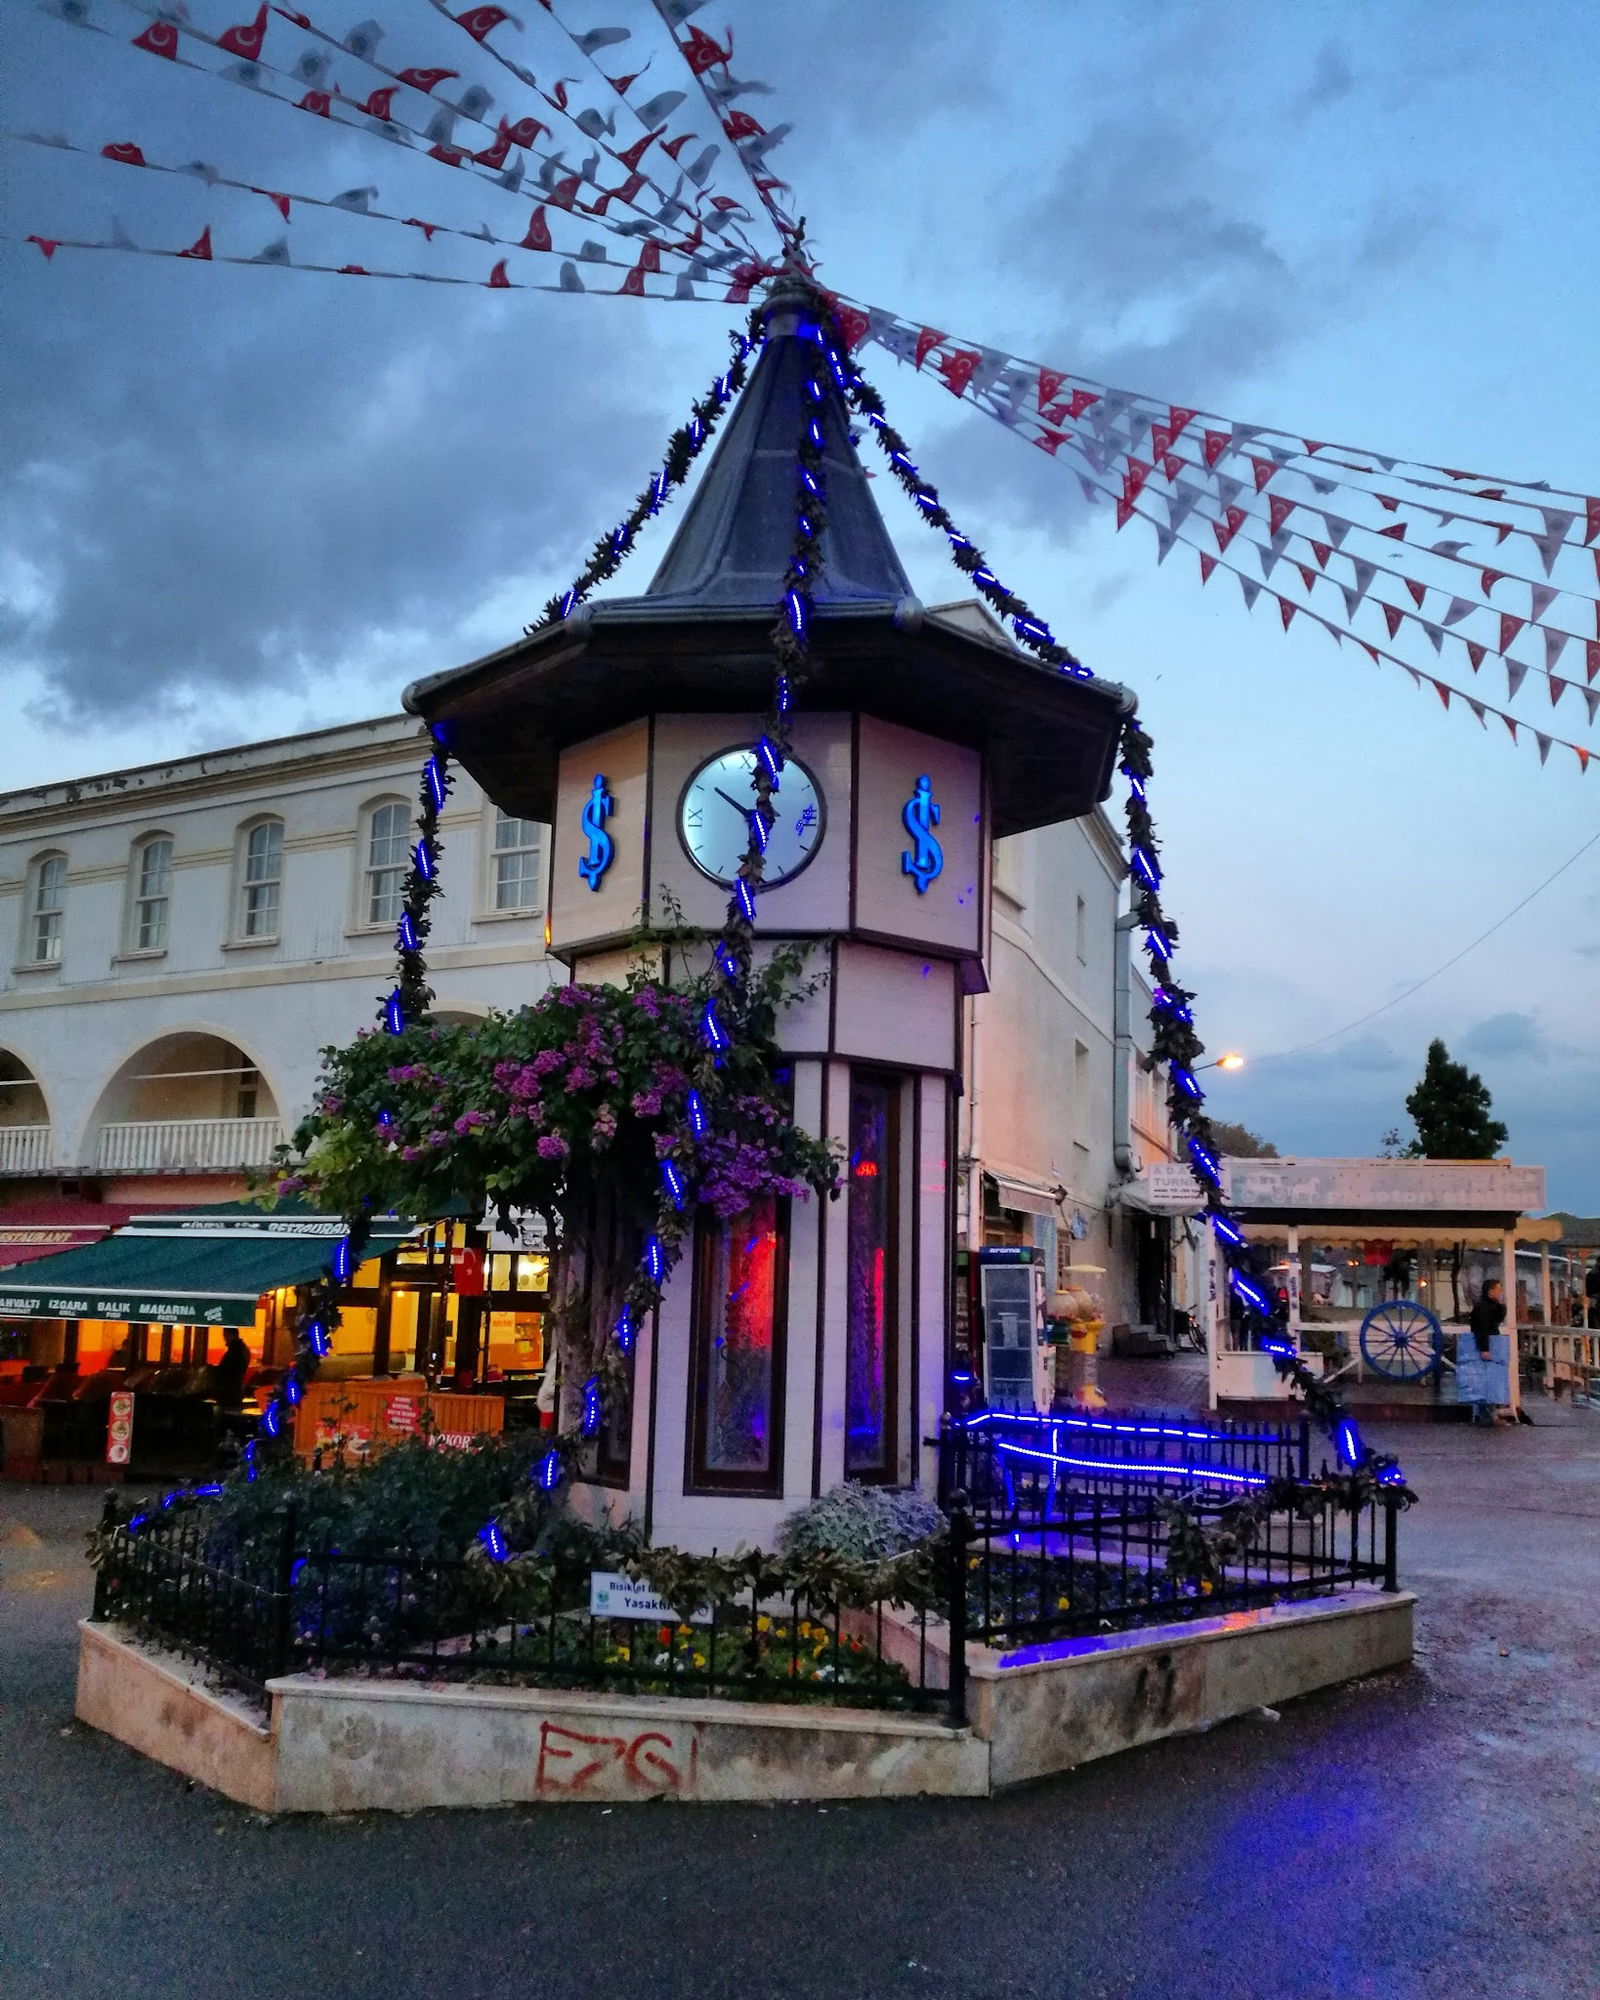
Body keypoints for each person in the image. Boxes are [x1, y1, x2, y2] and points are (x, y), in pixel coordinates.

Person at [1466, 1279, 1505, 1425]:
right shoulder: (1482, 1307)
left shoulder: (1491, 1306)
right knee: (1486, 1381)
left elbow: (1499, 1319)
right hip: (1487, 1345)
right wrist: (1484, 1348)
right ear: (1490, 1291)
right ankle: (1485, 1415)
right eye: (1498, 1289)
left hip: (1492, 1343)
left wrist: (1501, 1305)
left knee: (1490, 1380)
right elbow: (1481, 1329)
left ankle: (1487, 1413)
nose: (1500, 1292)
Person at [208, 1327, 251, 1410]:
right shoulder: (242, 1349)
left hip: (228, 1395)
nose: (224, 1338)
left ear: (229, 1334)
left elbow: (225, 1372)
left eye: (224, 1335)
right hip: (236, 1393)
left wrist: (212, 1371)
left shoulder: (234, 1351)